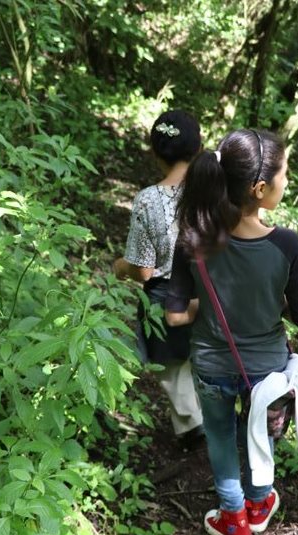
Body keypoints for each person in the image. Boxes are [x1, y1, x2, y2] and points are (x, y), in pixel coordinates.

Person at [165, 129, 298, 535]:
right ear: (260, 187)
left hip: (212, 364)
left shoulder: (193, 238)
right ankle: (256, 503)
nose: (287, 182)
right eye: (284, 174)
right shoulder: (285, 244)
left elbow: (175, 314)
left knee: (218, 435)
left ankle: (233, 520)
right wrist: (272, 303)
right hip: (265, 369)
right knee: (259, 433)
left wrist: (208, 310)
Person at [113, 110, 204, 449]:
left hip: (167, 297)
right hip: (210, 291)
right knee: (197, 361)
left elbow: (144, 269)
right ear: (199, 147)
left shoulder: (149, 199)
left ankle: (195, 427)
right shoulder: (213, 192)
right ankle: (202, 423)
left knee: (171, 367)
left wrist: (122, 267)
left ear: (154, 151)